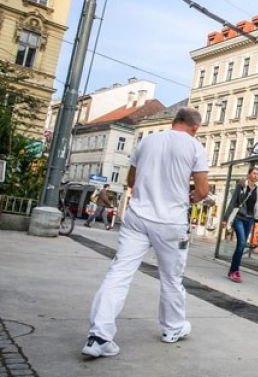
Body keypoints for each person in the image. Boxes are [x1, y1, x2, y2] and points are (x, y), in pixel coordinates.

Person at [82, 107, 209, 358]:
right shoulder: (195, 147)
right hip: (171, 223)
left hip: (137, 217)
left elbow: (131, 181)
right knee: (171, 278)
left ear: (174, 121)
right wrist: (190, 197)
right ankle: (172, 328)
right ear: (195, 127)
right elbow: (203, 190)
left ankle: (99, 337)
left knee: (119, 273)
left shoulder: (147, 141)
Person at [221, 166, 258, 283]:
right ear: (249, 174)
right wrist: (225, 219)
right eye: (254, 173)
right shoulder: (241, 186)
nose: (256, 175)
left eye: (257, 174)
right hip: (238, 218)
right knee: (242, 243)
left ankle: (232, 270)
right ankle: (235, 271)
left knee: (241, 245)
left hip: (249, 220)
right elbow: (233, 202)